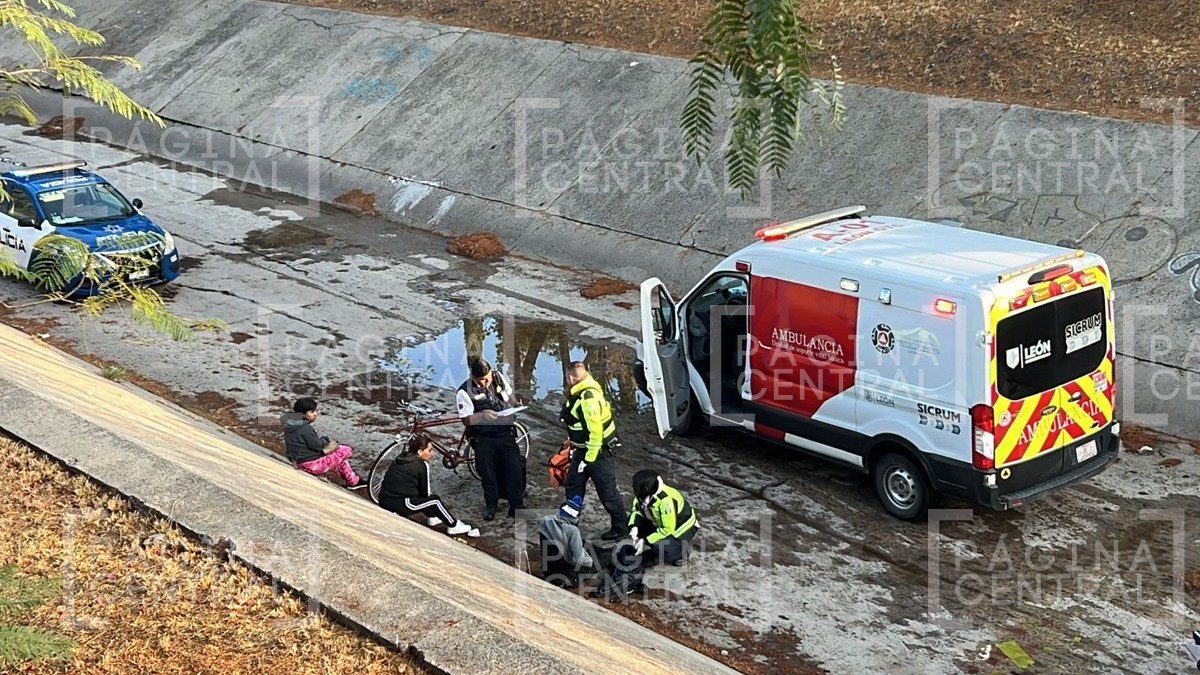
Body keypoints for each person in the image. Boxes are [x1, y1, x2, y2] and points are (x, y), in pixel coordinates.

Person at [559, 361, 626, 540]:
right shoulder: (585, 388)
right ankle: (570, 527)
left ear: (570, 377)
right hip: (584, 450)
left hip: (599, 452)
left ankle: (620, 528)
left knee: (607, 492)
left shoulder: (588, 397)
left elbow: (595, 432)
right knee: (573, 486)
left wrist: (588, 460)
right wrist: (573, 441)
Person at [457, 357, 525, 520]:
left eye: (487, 378)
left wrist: (516, 404)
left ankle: (516, 505)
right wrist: (482, 415)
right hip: (484, 439)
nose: (486, 382)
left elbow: (509, 395)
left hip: (505, 433)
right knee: (488, 473)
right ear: (473, 377)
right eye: (482, 380)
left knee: (514, 469)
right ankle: (491, 505)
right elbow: (466, 420)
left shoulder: (497, 377)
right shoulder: (464, 391)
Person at [378, 433, 479, 538]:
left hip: (384, 499)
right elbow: (425, 493)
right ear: (420, 452)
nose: (432, 454)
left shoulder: (401, 457)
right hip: (401, 503)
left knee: (424, 498)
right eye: (429, 450)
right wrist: (432, 506)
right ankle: (453, 525)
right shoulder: (421, 465)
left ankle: (432, 517)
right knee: (434, 500)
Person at [281, 397, 366, 490]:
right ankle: (353, 482)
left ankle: (354, 482)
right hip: (311, 465)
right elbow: (317, 445)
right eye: (312, 412)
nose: (315, 414)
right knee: (345, 450)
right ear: (303, 414)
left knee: (339, 457)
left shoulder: (291, 425)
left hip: (299, 462)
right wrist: (325, 440)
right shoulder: (305, 428)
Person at [626, 469, 698, 568]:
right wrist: (634, 527)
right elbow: (637, 511)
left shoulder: (666, 501)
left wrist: (645, 540)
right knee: (631, 521)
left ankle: (681, 553)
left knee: (660, 547)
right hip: (658, 522)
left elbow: (668, 528)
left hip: (680, 529)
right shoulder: (642, 495)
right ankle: (657, 547)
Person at [535, 495, 595, 589]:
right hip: (565, 577)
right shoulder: (573, 531)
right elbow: (577, 560)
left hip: (548, 571)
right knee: (601, 557)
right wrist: (589, 560)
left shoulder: (546, 521)